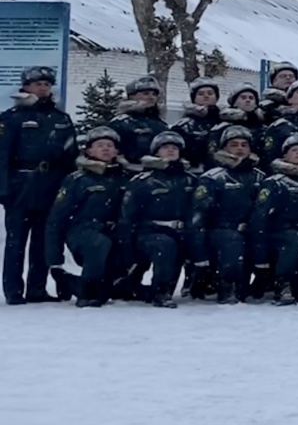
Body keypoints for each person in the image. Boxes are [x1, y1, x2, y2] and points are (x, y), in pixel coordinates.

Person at [2, 65, 76, 304]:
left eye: (46, 84)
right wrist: (4, 188)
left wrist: (68, 189)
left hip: (51, 184)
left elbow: (71, 156)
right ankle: (13, 291)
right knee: (16, 241)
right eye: (37, 84)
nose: (43, 88)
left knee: (43, 240)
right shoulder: (11, 118)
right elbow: (1, 156)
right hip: (21, 184)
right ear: (25, 86)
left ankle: (37, 288)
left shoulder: (60, 119)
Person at [45, 127, 128, 308]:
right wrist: (55, 263)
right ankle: (87, 290)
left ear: (116, 151)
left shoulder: (125, 179)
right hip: (83, 232)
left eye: (109, 145)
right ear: (89, 151)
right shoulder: (77, 179)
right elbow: (56, 220)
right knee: (99, 243)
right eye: (99, 145)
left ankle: (110, 283)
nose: (105, 149)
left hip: (114, 232)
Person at [119, 129, 196, 307]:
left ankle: (186, 286)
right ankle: (160, 291)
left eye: (175, 148)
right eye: (165, 147)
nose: (171, 151)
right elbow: (127, 215)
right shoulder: (143, 181)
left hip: (181, 230)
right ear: (155, 152)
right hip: (150, 232)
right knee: (165, 246)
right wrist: (127, 246)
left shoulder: (190, 180)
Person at [190, 126, 264, 305]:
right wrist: (199, 250)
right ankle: (226, 286)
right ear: (224, 148)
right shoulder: (214, 177)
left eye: (244, 145)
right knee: (232, 243)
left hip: (252, 229)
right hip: (221, 230)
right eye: (234, 145)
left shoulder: (259, 177)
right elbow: (198, 214)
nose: (240, 148)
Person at [250, 135, 298, 305]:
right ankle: (282, 283)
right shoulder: (275, 182)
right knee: (293, 239)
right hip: (279, 230)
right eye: (294, 150)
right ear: (284, 156)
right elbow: (260, 215)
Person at [109, 76, 170, 170]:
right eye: (146, 94)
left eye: (154, 94)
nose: (151, 97)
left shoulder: (161, 125)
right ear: (132, 96)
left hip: (159, 173)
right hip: (129, 173)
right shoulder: (120, 123)